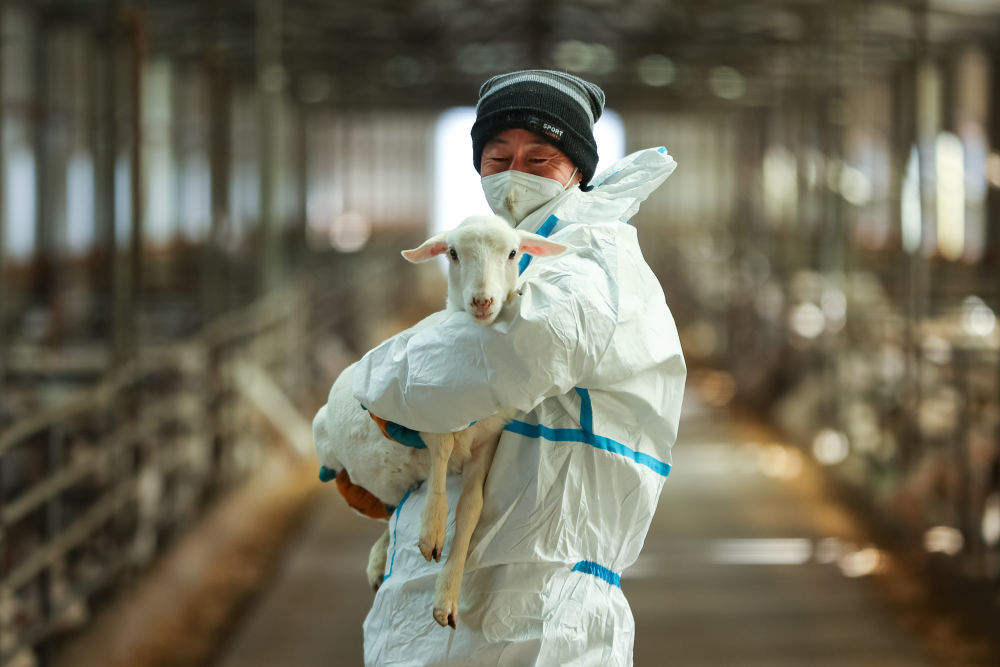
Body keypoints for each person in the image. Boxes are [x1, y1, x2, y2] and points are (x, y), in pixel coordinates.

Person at [348, 70, 684, 665]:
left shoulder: (588, 258)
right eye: (496, 157)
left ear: (577, 168)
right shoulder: (515, 256)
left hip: (534, 610)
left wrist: (365, 391)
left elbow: (485, 363)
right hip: (463, 603)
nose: (512, 174)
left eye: (540, 158)